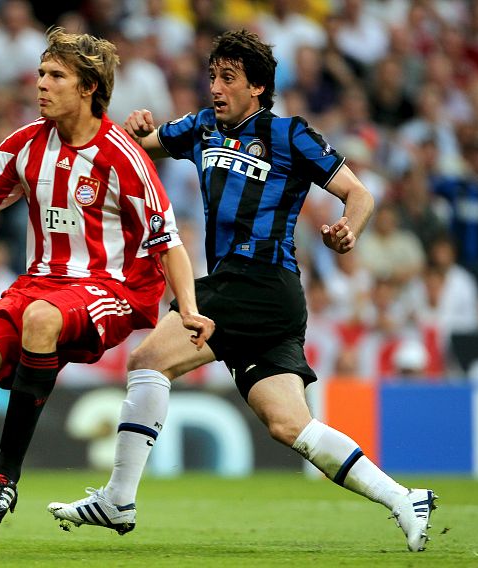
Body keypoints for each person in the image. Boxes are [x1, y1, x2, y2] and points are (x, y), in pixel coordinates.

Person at [48, 29, 437, 553]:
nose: (215, 87)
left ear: (256, 87)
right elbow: (135, 148)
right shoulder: (202, 127)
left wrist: (351, 227)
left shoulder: (290, 134)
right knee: (289, 424)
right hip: (254, 294)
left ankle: (119, 498)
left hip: (260, 283)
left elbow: (359, 193)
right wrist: (136, 127)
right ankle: (402, 497)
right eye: (212, 76)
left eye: (228, 78)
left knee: (147, 360)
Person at [0, 27, 213, 556]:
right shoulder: (24, 145)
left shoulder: (122, 155)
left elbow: (169, 242)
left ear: (88, 88)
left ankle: (5, 477)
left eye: (56, 75)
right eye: (40, 73)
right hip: (40, 282)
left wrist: (188, 308)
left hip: (112, 288)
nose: (41, 84)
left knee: (40, 320)